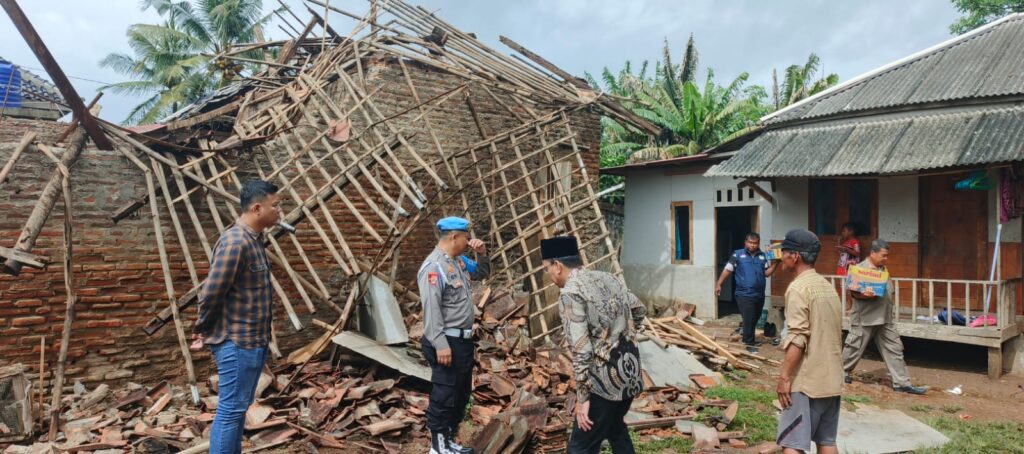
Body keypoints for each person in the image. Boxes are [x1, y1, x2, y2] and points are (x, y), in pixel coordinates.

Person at [194, 180, 281, 454]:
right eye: (275, 206)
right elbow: (211, 293)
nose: (279, 211)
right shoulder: (235, 242)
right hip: (237, 342)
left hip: (252, 341)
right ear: (257, 208)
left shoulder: (254, 240)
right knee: (231, 411)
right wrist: (202, 328)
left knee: (237, 409)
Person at [542, 236, 646, 454]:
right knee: (615, 429)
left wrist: (583, 399)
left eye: (547, 269)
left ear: (558, 266)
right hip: (630, 377)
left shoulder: (571, 293)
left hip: (603, 386)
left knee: (580, 447)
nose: (548, 275)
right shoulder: (608, 278)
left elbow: (581, 350)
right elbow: (639, 309)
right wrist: (622, 337)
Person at [418, 216, 490, 454]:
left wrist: (482, 253)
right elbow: (432, 310)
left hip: (462, 341)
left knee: (460, 394)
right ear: (454, 237)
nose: (469, 241)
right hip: (446, 341)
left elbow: (482, 272)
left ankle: (448, 442)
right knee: (444, 394)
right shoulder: (434, 267)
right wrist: (440, 344)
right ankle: (438, 449)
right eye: (466, 237)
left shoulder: (459, 262)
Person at [776, 229, 843, 454]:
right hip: (832, 379)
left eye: (784, 252)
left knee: (792, 444)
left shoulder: (798, 289)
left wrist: (785, 377)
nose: (782, 257)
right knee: (827, 441)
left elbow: (798, 338)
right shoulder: (827, 287)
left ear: (795, 256)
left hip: (807, 383)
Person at [842, 239, 928, 394]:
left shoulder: (882, 268)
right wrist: (865, 295)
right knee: (855, 346)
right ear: (872, 253)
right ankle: (841, 372)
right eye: (883, 255)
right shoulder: (859, 269)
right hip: (865, 317)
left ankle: (901, 383)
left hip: (885, 317)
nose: (886, 259)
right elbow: (853, 293)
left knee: (894, 348)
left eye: (887, 255)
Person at [715, 233, 780, 352]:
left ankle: (750, 339)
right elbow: (727, 270)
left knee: (755, 317)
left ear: (758, 243)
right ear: (745, 242)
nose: (752, 245)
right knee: (749, 318)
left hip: (759, 294)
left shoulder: (762, 256)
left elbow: (767, 273)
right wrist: (719, 284)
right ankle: (748, 343)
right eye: (750, 243)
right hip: (744, 294)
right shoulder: (738, 254)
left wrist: (776, 263)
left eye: (755, 243)